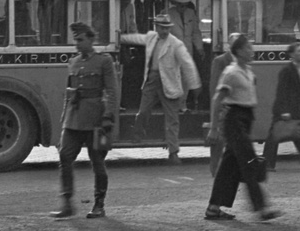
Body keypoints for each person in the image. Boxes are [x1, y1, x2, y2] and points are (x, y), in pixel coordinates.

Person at [205, 33, 281, 222]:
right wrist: (214, 127)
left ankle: (213, 208)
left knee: (228, 166)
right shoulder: (231, 73)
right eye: (248, 47)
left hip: (245, 119)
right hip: (234, 120)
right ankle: (261, 207)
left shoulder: (247, 71)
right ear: (239, 51)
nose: (251, 50)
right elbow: (217, 100)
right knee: (249, 163)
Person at [51, 23, 117, 220]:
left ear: (91, 40)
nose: (77, 44)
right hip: (74, 120)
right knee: (64, 156)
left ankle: (99, 205)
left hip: (97, 120)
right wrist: (64, 119)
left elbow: (112, 91)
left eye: (80, 40)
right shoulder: (73, 62)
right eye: (75, 40)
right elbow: (68, 93)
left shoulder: (104, 61)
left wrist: (108, 117)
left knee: (98, 162)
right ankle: (67, 203)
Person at [123, 12, 201, 164]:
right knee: (143, 110)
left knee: (172, 119)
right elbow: (136, 38)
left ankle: (173, 152)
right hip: (152, 79)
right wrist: (118, 38)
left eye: (167, 28)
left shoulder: (176, 43)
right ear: (157, 27)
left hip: (169, 82)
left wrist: (194, 84)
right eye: (162, 28)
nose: (165, 31)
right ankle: (138, 132)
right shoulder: (151, 37)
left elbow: (187, 64)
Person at [263, 41, 300, 172]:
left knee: (298, 135)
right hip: (285, 109)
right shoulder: (287, 71)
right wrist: (283, 111)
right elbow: (282, 91)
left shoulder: (299, 69)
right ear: (292, 55)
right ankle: (267, 164)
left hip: (294, 108)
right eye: (299, 51)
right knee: (275, 136)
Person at [206, 38, 237, 176]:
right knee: (218, 141)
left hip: (236, 105)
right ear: (229, 45)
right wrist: (217, 106)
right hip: (223, 105)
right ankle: (214, 170)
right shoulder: (220, 61)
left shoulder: (242, 62)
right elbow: (214, 86)